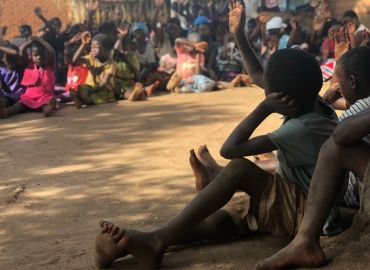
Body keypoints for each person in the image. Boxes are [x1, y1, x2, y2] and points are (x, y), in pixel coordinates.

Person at [93, 1, 338, 269]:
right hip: (291, 195)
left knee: (238, 170)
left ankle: (156, 240)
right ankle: (133, 243)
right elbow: (256, 74)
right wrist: (238, 33)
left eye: (270, 92)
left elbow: (230, 149)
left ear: (281, 97)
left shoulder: (301, 127)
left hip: (309, 214)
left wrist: (265, 107)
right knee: (224, 221)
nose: (265, 88)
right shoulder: (311, 99)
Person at [256, 45, 370, 270]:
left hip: (348, 191)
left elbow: (341, 133)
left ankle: (305, 242)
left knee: (332, 149)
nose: (338, 88)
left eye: (341, 83)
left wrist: (263, 109)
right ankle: (305, 243)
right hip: (348, 185)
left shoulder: (354, 106)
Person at [0, 37, 57, 118]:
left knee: (45, 105)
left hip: (44, 97)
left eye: (42, 55)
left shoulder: (50, 67)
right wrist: (31, 41)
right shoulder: (29, 65)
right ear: (31, 56)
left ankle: (48, 110)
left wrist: (40, 40)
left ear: (46, 56)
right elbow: (21, 49)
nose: (39, 57)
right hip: (28, 97)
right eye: (36, 55)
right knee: (17, 107)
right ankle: (4, 113)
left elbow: (52, 51)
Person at [72, 32, 117, 108]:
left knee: (87, 93)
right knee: (80, 88)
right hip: (89, 87)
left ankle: (85, 99)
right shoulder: (91, 58)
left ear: (106, 50)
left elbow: (103, 83)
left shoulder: (111, 64)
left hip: (102, 91)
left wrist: (89, 92)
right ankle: (82, 97)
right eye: (92, 47)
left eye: (96, 47)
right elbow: (74, 60)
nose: (93, 50)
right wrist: (83, 44)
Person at [0, 41, 26, 108]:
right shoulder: (1, 70)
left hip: (17, 96)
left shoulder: (19, 69)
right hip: (4, 95)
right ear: (2, 59)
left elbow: (15, 53)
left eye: (13, 59)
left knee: (5, 101)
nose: (12, 61)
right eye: (8, 58)